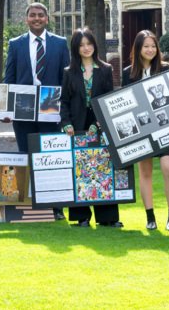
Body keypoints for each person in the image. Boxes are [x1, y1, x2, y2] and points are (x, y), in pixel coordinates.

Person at [4, 2, 70, 220]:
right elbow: (9, 79)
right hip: (23, 107)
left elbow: (66, 78)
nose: (37, 19)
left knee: (51, 156)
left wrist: (64, 109)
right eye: (32, 15)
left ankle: (55, 206)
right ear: (26, 19)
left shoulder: (60, 44)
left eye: (41, 15)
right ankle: (29, 204)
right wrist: (7, 108)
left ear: (47, 18)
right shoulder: (16, 44)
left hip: (50, 104)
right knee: (26, 154)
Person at [60, 27, 122, 228]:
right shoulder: (69, 72)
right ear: (76, 49)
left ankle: (107, 218)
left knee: (103, 168)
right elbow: (64, 101)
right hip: (76, 125)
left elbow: (108, 100)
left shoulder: (105, 69)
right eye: (81, 45)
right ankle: (81, 217)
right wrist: (66, 123)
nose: (86, 48)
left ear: (94, 46)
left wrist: (99, 123)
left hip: (99, 123)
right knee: (80, 169)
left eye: (89, 44)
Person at [122, 30, 169, 231]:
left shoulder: (165, 68)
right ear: (138, 49)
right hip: (142, 130)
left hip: (164, 127)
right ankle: (150, 216)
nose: (150, 50)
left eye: (153, 46)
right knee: (145, 173)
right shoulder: (128, 73)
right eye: (146, 46)